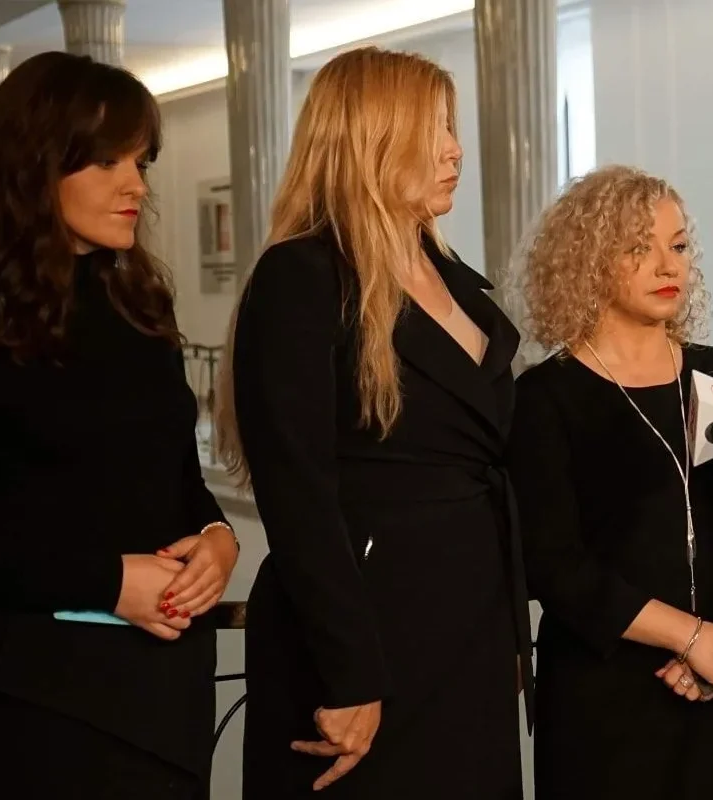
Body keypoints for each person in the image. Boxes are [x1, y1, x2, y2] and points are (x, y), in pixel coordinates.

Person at [217, 47, 526, 798]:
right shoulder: (302, 275)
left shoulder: (456, 278)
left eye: (452, 128)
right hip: (367, 633)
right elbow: (296, 492)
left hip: (469, 621)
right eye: (436, 128)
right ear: (373, 139)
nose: (455, 151)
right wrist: (350, 669)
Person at [0, 51, 237, 798]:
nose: (135, 185)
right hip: (35, 704)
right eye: (107, 161)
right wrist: (105, 582)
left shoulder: (138, 306)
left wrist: (216, 537)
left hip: (166, 698)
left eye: (141, 162)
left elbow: (174, 480)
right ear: (35, 164)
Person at [507, 165, 713, 799]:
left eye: (678, 245)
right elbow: (554, 563)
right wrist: (694, 639)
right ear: (589, 260)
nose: (668, 266)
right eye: (639, 248)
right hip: (609, 698)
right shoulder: (545, 397)